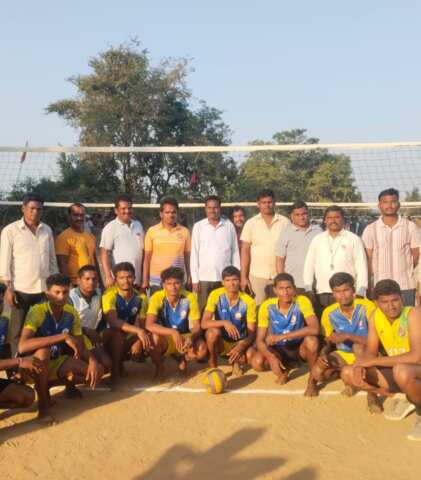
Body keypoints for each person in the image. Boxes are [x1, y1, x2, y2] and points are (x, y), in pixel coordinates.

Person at [341, 280, 421, 441]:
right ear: (376, 303)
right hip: (400, 370)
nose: (391, 306)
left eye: (395, 300)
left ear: (402, 298)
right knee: (348, 373)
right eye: (385, 302)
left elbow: (416, 356)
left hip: (414, 369)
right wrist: (360, 366)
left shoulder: (413, 314)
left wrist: (371, 362)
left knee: (402, 371)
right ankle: (407, 397)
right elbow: (371, 352)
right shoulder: (375, 317)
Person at [18, 273, 104, 423]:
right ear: (47, 293)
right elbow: (22, 346)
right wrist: (62, 337)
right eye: (56, 292)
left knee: (97, 371)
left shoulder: (71, 313)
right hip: (32, 365)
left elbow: (80, 346)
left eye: (65, 292)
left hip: (56, 361)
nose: (61, 297)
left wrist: (93, 361)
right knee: (43, 353)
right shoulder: (37, 311)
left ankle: (56, 385)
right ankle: (44, 408)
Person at [0, 194, 58, 356]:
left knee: (41, 329)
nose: (35, 212)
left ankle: (38, 364)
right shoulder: (10, 231)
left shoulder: (47, 230)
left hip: (43, 290)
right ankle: (17, 364)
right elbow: (4, 264)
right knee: (17, 331)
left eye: (39, 209)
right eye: (32, 208)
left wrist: (54, 286)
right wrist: (8, 289)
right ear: (23, 208)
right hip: (20, 290)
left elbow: (52, 260)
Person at [311, 272, 379, 410]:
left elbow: (377, 340)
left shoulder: (367, 307)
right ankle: (350, 380)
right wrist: (323, 354)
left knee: (357, 347)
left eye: (346, 290)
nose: (342, 295)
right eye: (337, 291)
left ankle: (372, 395)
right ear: (332, 293)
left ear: (353, 290)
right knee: (318, 372)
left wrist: (348, 336)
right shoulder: (329, 313)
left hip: (368, 354)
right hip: (344, 354)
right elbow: (327, 341)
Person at [252, 273, 320, 396]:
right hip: (278, 348)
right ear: (275, 290)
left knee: (312, 340)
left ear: (294, 289)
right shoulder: (267, 306)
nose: (285, 292)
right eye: (281, 288)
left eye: (289, 288)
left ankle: (312, 380)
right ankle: (284, 369)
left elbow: (315, 328)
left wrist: (283, 336)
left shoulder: (302, 301)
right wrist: (271, 357)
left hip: (298, 347)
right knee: (257, 362)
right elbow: (260, 340)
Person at [303, 205, 368, 315]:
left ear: (343, 219)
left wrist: (361, 291)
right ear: (325, 220)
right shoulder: (317, 239)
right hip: (322, 292)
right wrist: (308, 287)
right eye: (329, 218)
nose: (333, 220)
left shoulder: (353, 239)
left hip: (346, 293)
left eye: (337, 217)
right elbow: (309, 264)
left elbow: (361, 266)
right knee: (324, 324)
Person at [362, 188, 421, 306]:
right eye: (385, 202)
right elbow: (368, 259)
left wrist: (405, 268)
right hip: (380, 286)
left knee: (406, 317)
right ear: (379, 205)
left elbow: (416, 255)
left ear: (398, 205)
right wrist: (369, 285)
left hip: (405, 285)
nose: (389, 205)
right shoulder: (370, 229)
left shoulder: (410, 227)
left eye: (393, 202)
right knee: (381, 317)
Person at [146, 267, 207, 378]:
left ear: (182, 283)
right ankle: (159, 366)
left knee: (201, 350)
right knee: (153, 338)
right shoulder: (157, 297)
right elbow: (149, 325)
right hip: (166, 336)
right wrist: (173, 332)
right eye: (169, 283)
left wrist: (191, 338)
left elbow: (197, 326)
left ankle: (183, 359)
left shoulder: (190, 297)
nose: (173, 287)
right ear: (163, 285)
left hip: (185, 336)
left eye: (177, 283)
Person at [201, 266, 257, 376]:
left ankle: (236, 362)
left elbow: (251, 333)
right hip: (221, 342)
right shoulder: (215, 294)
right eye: (227, 280)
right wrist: (224, 323)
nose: (231, 284)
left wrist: (241, 346)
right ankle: (213, 366)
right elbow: (204, 323)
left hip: (239, 341)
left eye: (235, 279)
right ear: (222, 282)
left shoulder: (249, 301)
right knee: (212, 333)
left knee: (250, 356)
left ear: (240, 281)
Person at [102, 262, 150, 388]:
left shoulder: (142, 298)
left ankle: (122, 363)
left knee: (148, 336)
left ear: (134, 278)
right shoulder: (109, 295)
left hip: (127, 334)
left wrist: (139, 340)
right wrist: (138, 331)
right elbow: (113, 321)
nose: (126, 281)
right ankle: (115, 373)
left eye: (129, 277)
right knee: (118, 334)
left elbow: (143, 324)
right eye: (121, 278)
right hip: (107, 336)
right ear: (115, 279)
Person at [241, 189, 289, 305]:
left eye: (270, 202)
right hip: (257, 276)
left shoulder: (285, 222)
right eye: (263, 202)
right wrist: (243, 277)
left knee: (280, 308)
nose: (267, 205)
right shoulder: (251, 223)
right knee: (257, 309)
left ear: (274, 203)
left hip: (280, 275)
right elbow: (245, 251)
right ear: (258, 204)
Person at [190, 196, 240, 310]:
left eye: (215, 207)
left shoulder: (229, 226)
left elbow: (235, 252)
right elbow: (194, 254)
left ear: (220, 208)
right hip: (204, 278)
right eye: (209, 208)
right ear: (205, 209)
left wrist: (236, 276)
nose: (212, 210)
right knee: (203, 311)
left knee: (224, 310)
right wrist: (195, 279)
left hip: (225, 278)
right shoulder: (198, 226)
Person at [142, 197, 191, 295]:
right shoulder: (152, 231)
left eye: (173, 212)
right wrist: (145, 280)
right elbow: (147, 259)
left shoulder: (185, 231)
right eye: (167, 212)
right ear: (161, 214)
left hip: (177, 282)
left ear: (177, 213)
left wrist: (190, 277)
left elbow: (187, 258)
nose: (171, 215)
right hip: (156, 282)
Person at [69, 265, 111, 373]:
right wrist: (86, 331)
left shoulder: (100, 294)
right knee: (97, 367)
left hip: (92, 337)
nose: (91, 282)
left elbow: (104, 317)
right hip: (75, 337)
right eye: (87, 279)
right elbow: (66, 325)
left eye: (94, 279)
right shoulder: (70, 297)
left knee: (107, 363)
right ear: (78, 280)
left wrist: (98, 333)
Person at [275, 201, 322, 294]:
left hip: (315, 284)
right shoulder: (285, 233)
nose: (302, 217)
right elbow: (279, 259)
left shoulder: (318, 231)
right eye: (297, 215)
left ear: (308, 214)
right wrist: (282, 281)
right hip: (293, 284)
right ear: (291, 216)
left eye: (304, 214)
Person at [100, 194, 144, 288]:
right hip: (121, 280)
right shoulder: (110, 228)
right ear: (116, 210)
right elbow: (104, 253)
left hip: (137, 279)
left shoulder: (138, 225)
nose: (127, 211)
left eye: (129, 208)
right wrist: (108, 276)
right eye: (123, 208)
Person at [55, 203, 99, 287]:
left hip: (91, 282)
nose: (79, 218)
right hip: (75, 284)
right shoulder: (63, 237)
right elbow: (62, 264)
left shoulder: (91, 236)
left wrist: (99, 281)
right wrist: (68, 285)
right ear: (69, 216)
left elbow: (94, 261)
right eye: (76, 215)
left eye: (82, 215)